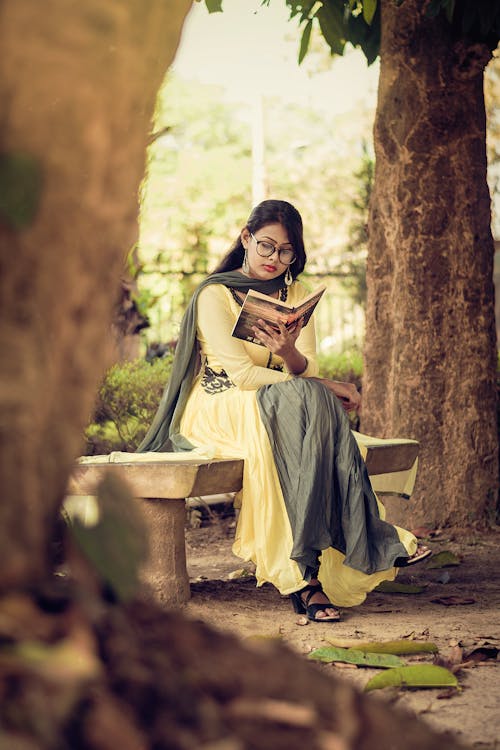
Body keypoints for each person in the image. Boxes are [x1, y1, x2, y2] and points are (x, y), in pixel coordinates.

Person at [138, 199, 430, 622]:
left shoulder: (294, 296)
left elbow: (305, 368)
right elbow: (239, 374)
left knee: (304, 402)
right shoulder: (215, 294)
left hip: (280, 400)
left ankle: (317, 563)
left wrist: (288, 351)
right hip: (220, 404)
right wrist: (323, 385)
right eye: (267, 247)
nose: (275, 258)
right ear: (246, 239)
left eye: (286, 250)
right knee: (306, 403)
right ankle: (314, 572)